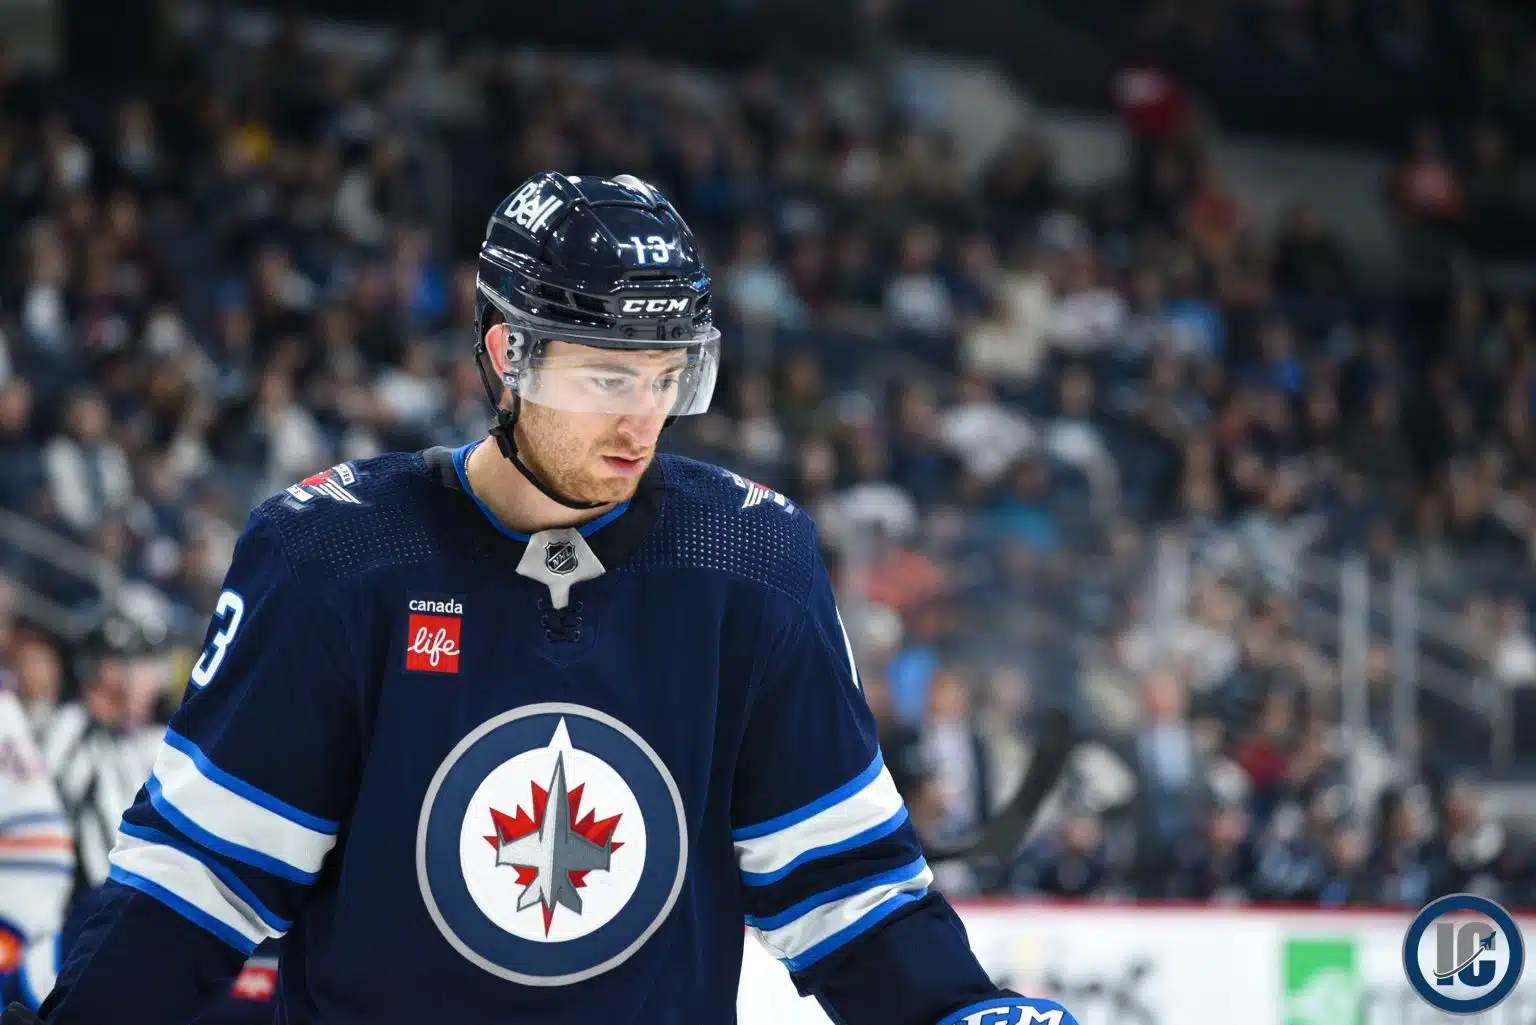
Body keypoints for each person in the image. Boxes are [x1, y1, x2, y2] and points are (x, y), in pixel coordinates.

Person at [6, 173, 1076, 1025]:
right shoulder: (336, 555)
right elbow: (194, 886)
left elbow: (850, 894)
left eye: (667, 377)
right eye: (607, 377)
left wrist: (964, 1012)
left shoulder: (750, 561)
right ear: (506, 354)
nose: (641, 421)